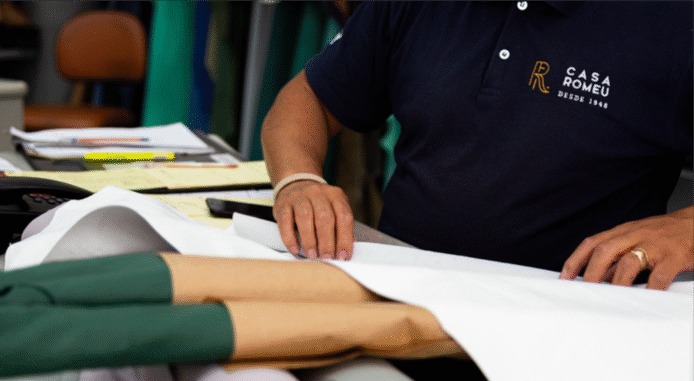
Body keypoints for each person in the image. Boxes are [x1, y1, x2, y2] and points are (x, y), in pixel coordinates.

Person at [261, 1, 693, 290]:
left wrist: (685, 230)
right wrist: (298, 180)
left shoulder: (675, 21)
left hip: (569, 322)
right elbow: (309, 99)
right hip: (396, 294)